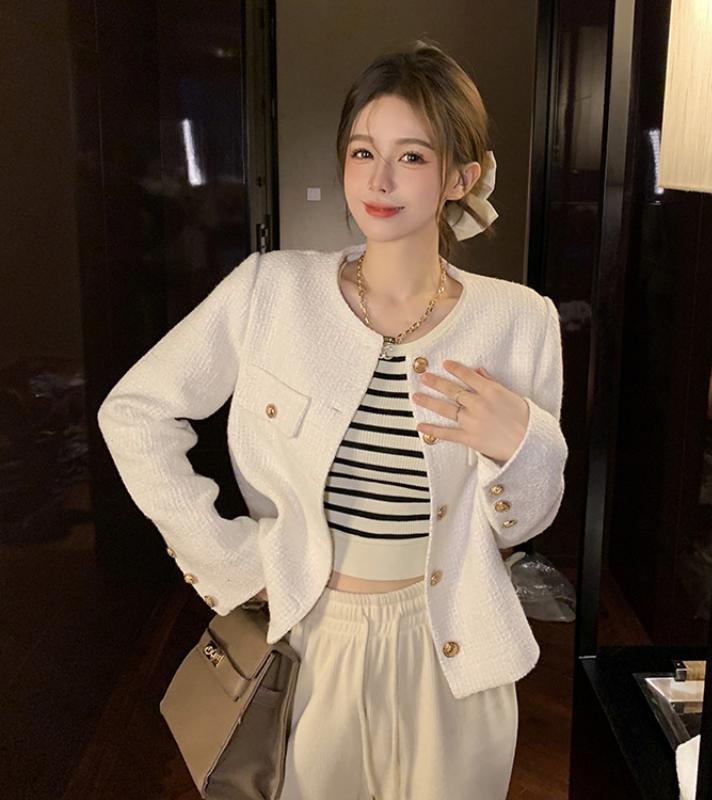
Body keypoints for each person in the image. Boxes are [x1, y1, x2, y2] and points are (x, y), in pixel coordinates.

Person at [97, 37, 568, 800]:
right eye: (362, 151)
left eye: (412, 156)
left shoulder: (519, 320)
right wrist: (229, 559)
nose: (379, 180)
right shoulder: (272, 291)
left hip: (456, 653)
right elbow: (136, 412)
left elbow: (525, 522)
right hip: (312, 641)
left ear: (461, 176)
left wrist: (523, 444)